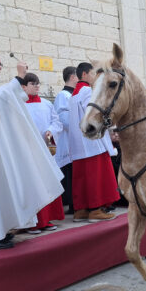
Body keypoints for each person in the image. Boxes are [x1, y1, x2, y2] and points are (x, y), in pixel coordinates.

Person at [0, 51, 64, 249]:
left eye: (0, 63)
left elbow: (0, 101)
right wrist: (19, 78)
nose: (0, 66)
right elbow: (0, 99)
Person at [68, 62, 119, 222]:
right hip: (91, 141)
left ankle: (81, 210)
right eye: (92, 74)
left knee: (81, 178)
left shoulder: (73, 95)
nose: (94, 77)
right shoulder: (86, 91)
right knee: (96, 177)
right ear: (84, 75)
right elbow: (95, 113)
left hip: (78, 144)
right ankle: (96, 210)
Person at [22, 72, 65, 233]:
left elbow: (57, 122)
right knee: (33, 185)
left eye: (38, 83)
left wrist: (50, 131)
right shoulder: (20, 105)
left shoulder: (47, 104)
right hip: (29, 151)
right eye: (33, 83)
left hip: (46, 150)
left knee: (48, 183)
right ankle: (33, 222)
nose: (37, 86)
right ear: (24, 87)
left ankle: (47, 219)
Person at [53, 66, 77, 213]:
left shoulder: (74, 94)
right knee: (70, 174)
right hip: (69, 141)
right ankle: (73, 205)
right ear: (73, 77)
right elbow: (63, 118)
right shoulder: (63, 95)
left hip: (76, 140)